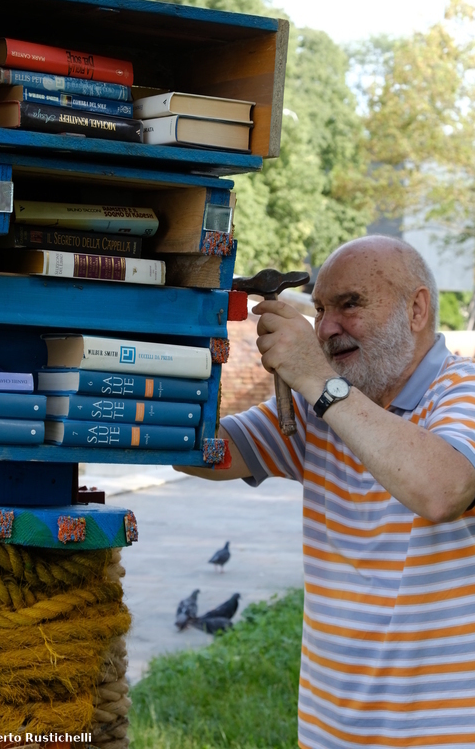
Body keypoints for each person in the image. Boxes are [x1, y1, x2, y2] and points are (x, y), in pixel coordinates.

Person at [179, 235, 475, 749]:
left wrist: (316, 377)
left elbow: (441, 489)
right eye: (319, 308)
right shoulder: (326, 411)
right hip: (327, 736)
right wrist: (173, 353)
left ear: (418, 309)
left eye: (350, 305)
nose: (328, 327)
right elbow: (206, 452)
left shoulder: (462, 391)